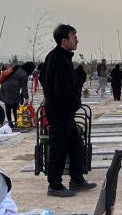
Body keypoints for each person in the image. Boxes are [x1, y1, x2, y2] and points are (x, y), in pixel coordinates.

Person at [40, 24, 96, 197]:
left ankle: (77, 179)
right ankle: (55, 185)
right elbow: (61, 89)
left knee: (76, 144)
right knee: (59, 147)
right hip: (59, 111)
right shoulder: (57, 59)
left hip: (63, 110)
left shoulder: (62, 57)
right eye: (73, 37)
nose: (76, 39)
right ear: (64, 40)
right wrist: (75, 101)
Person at [0, 62, 33, 127]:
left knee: (7, 105)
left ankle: (10, 121)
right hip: (13, 88)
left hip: (5, 86)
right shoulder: (24, 74)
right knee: (15, 105)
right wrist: (26, 98)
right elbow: (24, 87)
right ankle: (17, 121)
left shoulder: (17, 67)